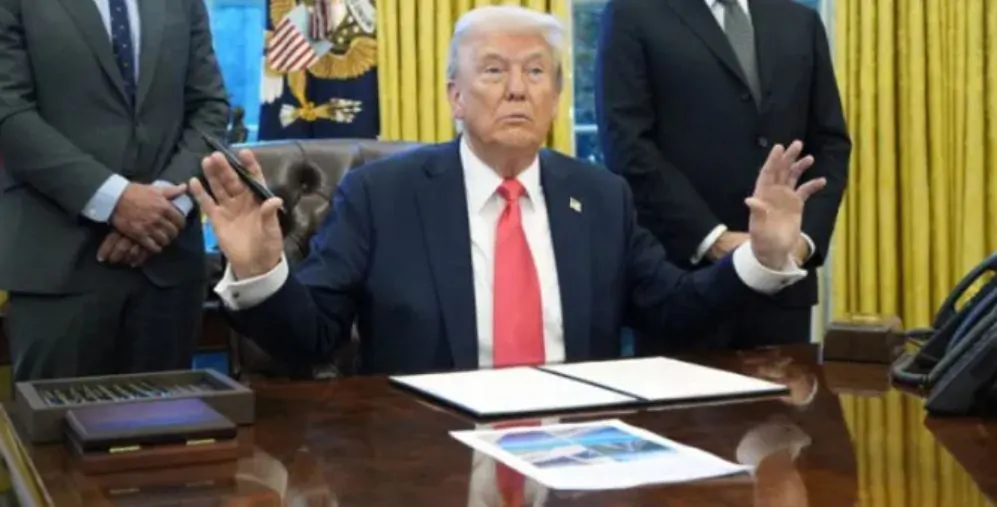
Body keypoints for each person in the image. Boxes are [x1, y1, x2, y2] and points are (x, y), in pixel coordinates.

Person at [193, 5, 823, 376]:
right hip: (426, 448)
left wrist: (761, 258)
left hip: (580, 449)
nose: (517, 88)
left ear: (556, 95)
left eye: (536, 72)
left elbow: (675, 312)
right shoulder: (380, 196)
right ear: (455, 96)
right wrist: (259, 270)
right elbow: (310, 340)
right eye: (494, 71)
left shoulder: (601, 197)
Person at [595, 0, 851, 352]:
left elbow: (830, 144)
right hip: (681, 283)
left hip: (783, 286)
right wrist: (713, 239)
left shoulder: (800, 21)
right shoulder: (632, 13)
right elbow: (627, 143)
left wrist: (801, 243)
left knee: (787, 391)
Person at [0, 0, 229, 380]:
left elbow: (211, 109)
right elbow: (8, 111)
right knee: (59, 418)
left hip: (167, 267)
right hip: (58, 266)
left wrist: (163, 208)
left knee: (167, 418)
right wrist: (114, 200)